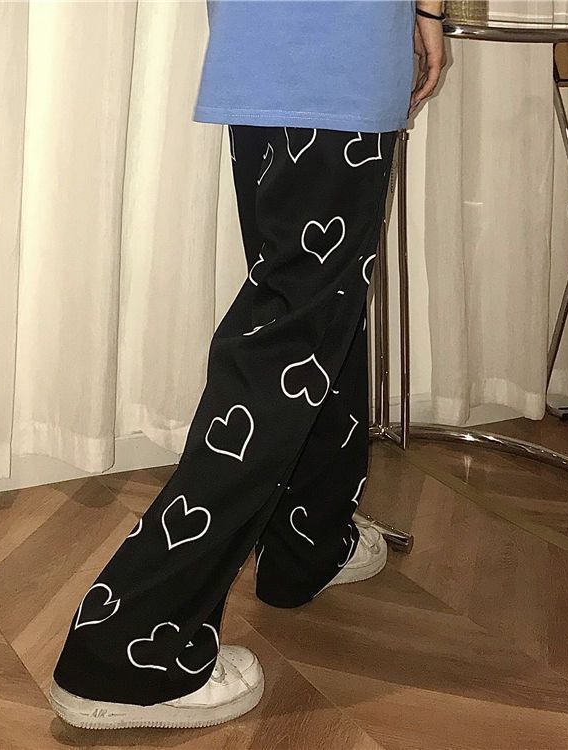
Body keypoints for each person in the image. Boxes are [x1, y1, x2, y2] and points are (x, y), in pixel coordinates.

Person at [49, 0, 446, 731]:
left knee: (315, 314)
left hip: (257, 49)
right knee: (294, 334)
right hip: (341, 48)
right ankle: (128, 647)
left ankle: (307, 541)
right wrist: (428, 8)